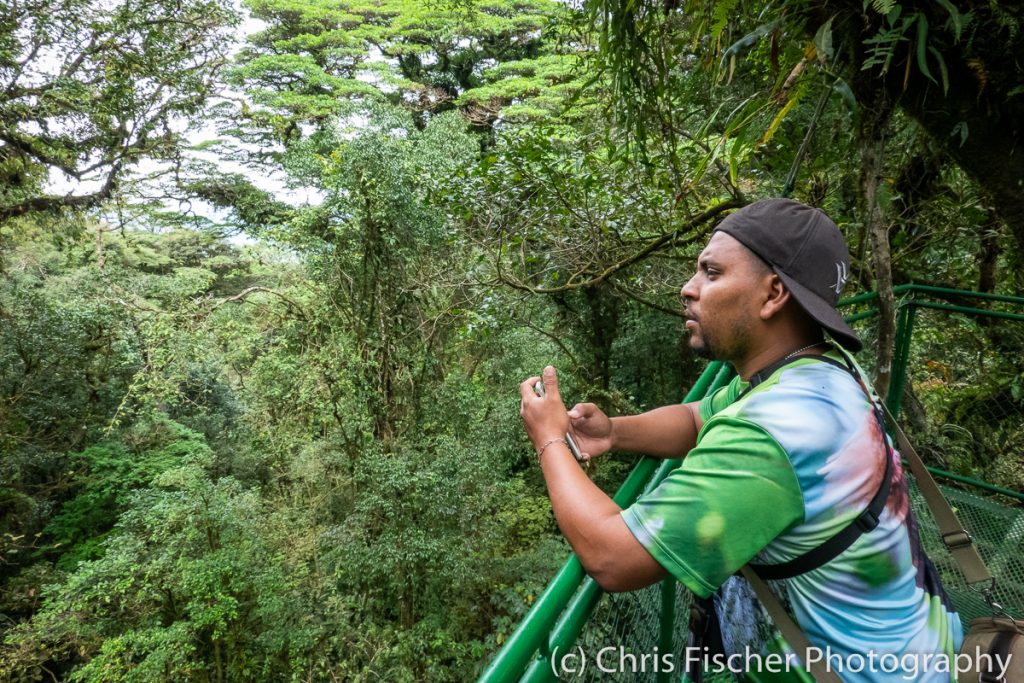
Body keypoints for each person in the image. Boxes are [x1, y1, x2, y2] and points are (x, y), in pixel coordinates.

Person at [519, 198, 963, 681]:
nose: (688, 289)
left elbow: (611, 557)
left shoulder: (772, 429)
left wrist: (549, 439)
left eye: (711, 272)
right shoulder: (815, 368)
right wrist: (615, 432)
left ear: (773, 294)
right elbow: (697, 417)